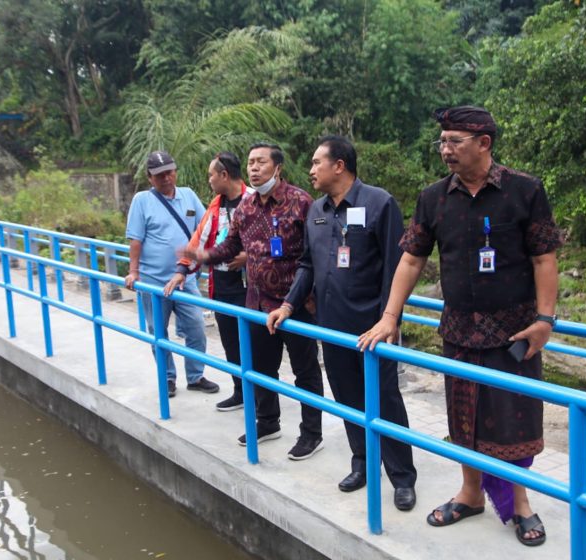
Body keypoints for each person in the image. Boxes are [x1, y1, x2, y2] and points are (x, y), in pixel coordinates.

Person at [358, 106, 561, 547]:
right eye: (442, 142)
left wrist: (545, 320)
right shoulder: (433, 198)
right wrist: (390, 315)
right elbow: (412, 258)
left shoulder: (524, 190)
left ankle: (519, 504)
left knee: (516, 422)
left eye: (454, 141)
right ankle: (471, 494)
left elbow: (545, 257)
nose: (445, 150)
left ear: (484, 143)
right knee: (464, 419)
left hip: (516, 334)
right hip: (459, 333)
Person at [266, 136, 417, 509]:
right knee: (348, 398)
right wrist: (288, 305)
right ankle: (362, 463)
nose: (311, 169)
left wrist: (390, 319)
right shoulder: (316, 211)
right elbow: (306, 264)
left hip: (372, 328)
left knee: (384, 399)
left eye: (318, 162)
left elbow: (397, 267)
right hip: (330, 327)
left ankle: (402, 475)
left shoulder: (379, 203)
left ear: (340, 166)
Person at [187, 143, 325, 460]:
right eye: (250, 162)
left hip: (297, 305)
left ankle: (311, 434)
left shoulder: (301, 202)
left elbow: (315, 255)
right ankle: (267, 422)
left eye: (261, 162)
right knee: (262, 369)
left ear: (277, 168)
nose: (254, 168)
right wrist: (203, 255)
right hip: (258, 303)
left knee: (305, 372)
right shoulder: (247, 207)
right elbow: (230, 245)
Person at [124, 150, 220, 398]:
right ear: (150, 178)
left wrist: (214, 253)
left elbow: (206, 226)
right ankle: (167, 377)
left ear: (175, 171)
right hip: (153, 280)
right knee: (158, 331)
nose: (166, 178)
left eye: (169, 172)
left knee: (196, 327)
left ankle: (195, 376)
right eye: (159, 175)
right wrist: (133, 272)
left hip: (185, 279)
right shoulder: (142, 200)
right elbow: (135, 239)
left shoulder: (188, 196)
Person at [165, 152, 252, 412]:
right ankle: (240, 392)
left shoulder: (253, 202)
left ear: (224, 175)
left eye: (211, 175)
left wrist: (249, 257)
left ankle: (261, 398)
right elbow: (199, 239)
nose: (210, 180)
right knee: (230, 343)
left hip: (251, 288)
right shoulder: (216, 205)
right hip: (223, 286)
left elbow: (273, 242)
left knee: (255, 345)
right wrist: (182, 269)